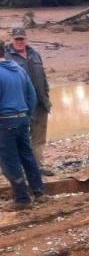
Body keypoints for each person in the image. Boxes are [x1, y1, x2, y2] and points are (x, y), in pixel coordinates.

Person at [0, 40, 47, 211]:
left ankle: (22, 198)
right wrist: (26, 115)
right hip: (22, 119)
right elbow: (32, 96)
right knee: (27, 156)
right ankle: (39, 192)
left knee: (9, 160)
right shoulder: (18, 69)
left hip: (5, 122)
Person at [5, 27, 54, 176]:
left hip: (40, 104)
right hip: (19, 107)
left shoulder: (35, 54)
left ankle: (37, 167)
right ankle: (15, 170)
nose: (19, 41)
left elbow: (43, 76)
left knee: (39, 138)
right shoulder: (6, 57)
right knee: (19, 139)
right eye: (16, 39)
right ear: (12, 39)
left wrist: (46, 95)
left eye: (22, 38)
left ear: (26, 39)